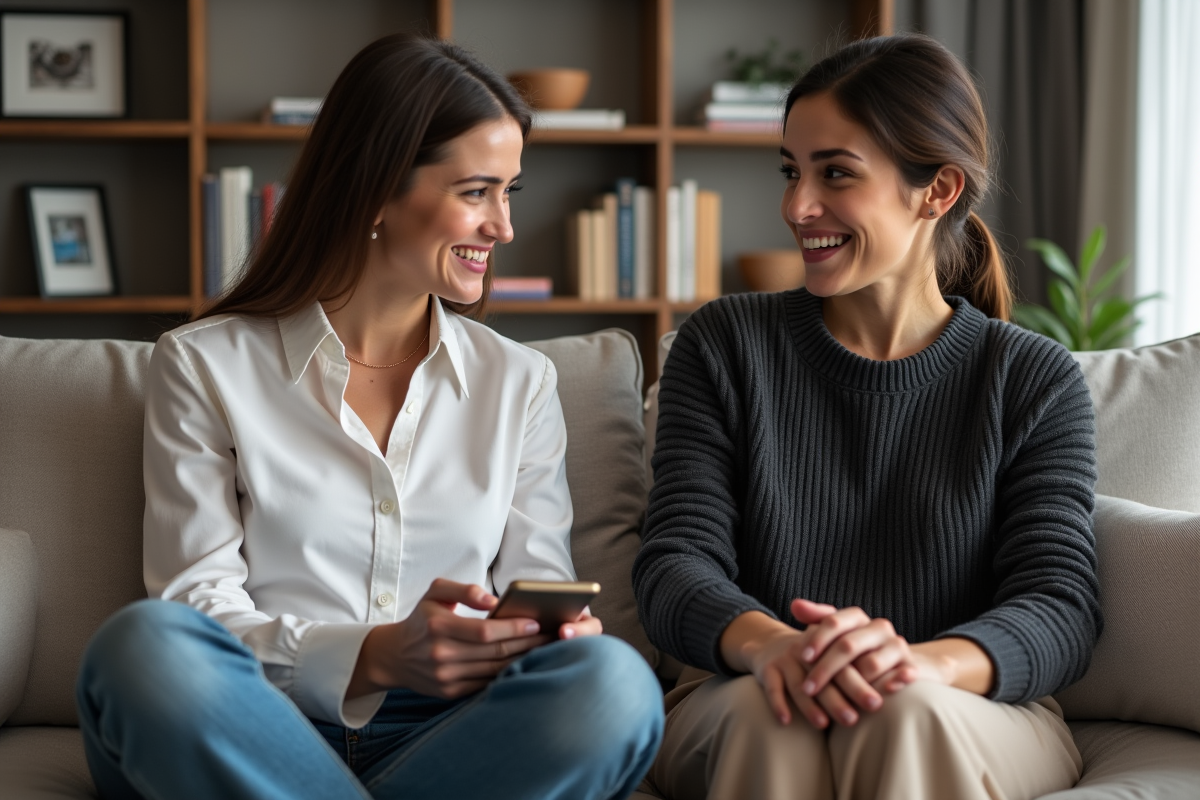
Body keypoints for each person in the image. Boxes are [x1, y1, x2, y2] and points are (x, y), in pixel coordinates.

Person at [75, 34, 662, 800]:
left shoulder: (519, 383)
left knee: (611, 678)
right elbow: (198, 605)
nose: (503, 228)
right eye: (477, 191)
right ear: (378, 189)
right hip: (251, 721)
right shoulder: (203, 364)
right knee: (144, 646)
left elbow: (534, 586)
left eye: (509, 191)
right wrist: (377, 656)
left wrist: (545, 638)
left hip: (453, 737)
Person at [634, 34, 1101, 800]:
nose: (795, 206)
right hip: (749, 688)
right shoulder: (724, 345)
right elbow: (675, 564)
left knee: (901, 711)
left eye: (835, 174)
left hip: (962, 702)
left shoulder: (1031, 379)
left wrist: (919, 664)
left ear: (938, 191)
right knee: (774, 711)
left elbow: (1060, 604)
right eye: (790, 171)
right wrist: (776, 649)